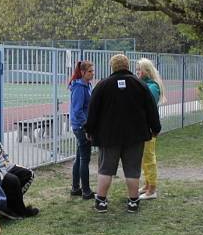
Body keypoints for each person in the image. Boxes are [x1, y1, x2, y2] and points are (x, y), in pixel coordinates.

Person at [85, 54, 161, 213]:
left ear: (112, 67)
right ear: (127, 66)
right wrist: (155, 128)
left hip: (108, 136)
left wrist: (89, 130)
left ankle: (101, 201)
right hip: (135, 136)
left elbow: (92, 111)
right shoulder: (141, 85)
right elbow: (151, 109)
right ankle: (133, 202)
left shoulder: (102, 85)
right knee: (132, 170)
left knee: (106, 169)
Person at [135, 58, 165, 200]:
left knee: (149, 157)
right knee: (143, 158)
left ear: (146, 71)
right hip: (142, 128)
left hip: (148, 128)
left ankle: (152, 189)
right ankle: (147, 184)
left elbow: (145, 105)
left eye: (139, 69)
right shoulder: (144, 84)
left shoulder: (152, 86)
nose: (137, 72)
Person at [68, 60, 95, 200]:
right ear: (83, 72)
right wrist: (86, 127)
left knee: (79, 158)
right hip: (81, 127)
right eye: (90, 71)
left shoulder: (86, 85)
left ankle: (75, 188)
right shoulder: (79, 87)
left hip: (81, 126)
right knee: (85, 158)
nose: (92, 73)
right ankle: (86, 191)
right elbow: (77, 110)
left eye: (92, 71)